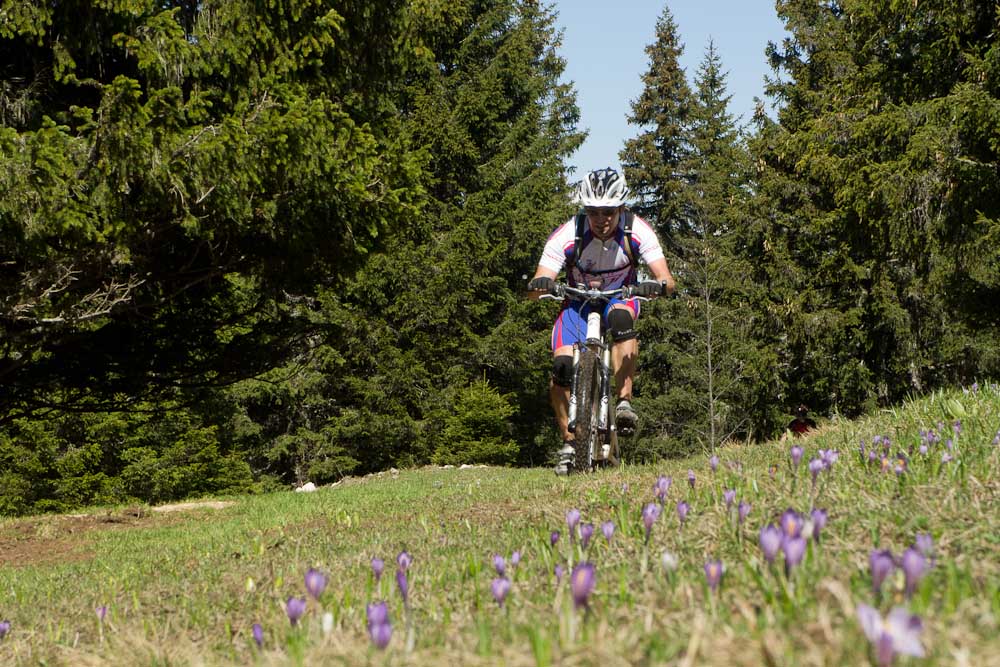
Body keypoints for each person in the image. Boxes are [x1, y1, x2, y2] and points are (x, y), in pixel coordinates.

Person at [527, 167, 675, 473]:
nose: (601, 220)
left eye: (608, 212)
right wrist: (541, 285)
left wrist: (655, 285)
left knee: (622, 320)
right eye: (593, 212)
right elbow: (539, 280)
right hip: (577, 303)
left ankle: (623, 402)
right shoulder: (570, 233)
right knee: (560, 370)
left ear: (621, 208)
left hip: (620, 296)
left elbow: (667, 280)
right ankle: (570, 443)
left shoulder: (638, 231)